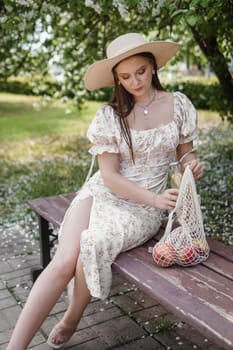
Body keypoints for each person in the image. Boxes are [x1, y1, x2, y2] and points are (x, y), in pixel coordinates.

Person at [7, 32, 204, 349]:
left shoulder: (178, 104)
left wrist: (191, 165)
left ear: (152, 66)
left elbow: (185, 154)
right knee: (63, 260)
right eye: (125, 77)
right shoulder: (111, 116)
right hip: (105, 192)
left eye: (140, 71)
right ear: (116, 79)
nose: (134, 82)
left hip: (143, 209)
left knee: (94, 242)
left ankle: (73, 315)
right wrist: (156, 197)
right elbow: (109, 177)